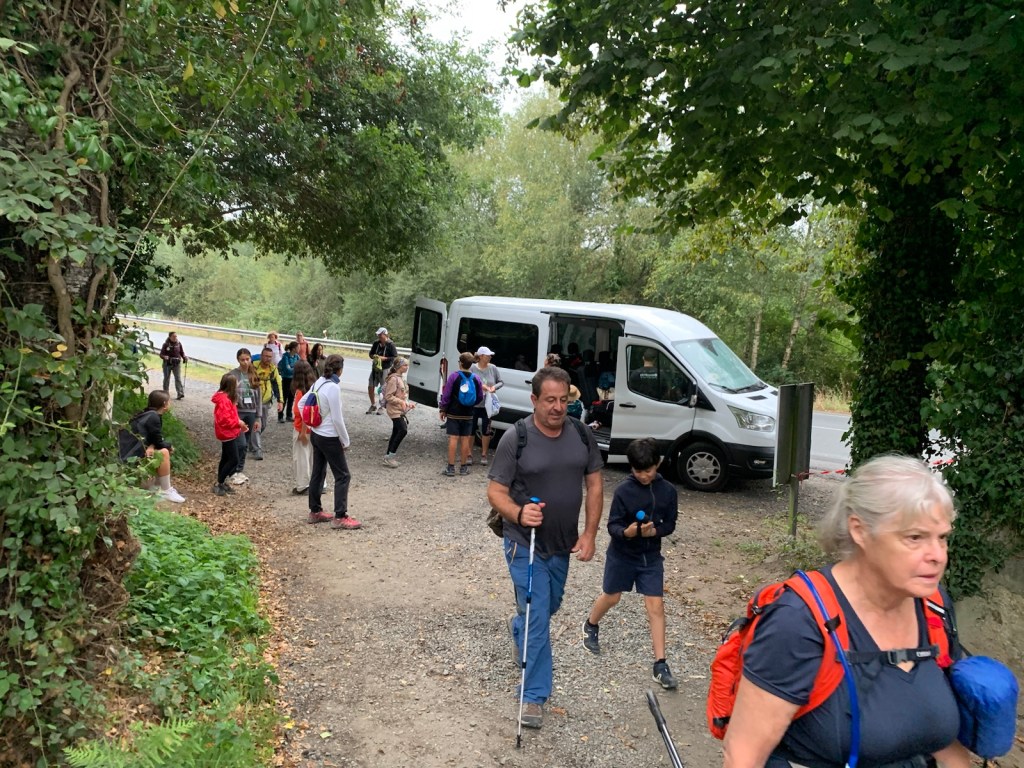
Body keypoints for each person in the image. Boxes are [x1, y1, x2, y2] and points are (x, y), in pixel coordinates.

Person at [723, 454, 972, 768]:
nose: (937, 555)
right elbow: (743, 755)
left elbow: (943, 740)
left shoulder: (932, 606)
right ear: (860, 530)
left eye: (942, 537)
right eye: (915, 537)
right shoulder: (798, 621)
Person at [486, 366, 604, 730]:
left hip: (561, 544)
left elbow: (595, 485)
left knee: (548, 606)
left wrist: (590, 533)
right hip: (524, 543)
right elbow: (495, 491)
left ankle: (519, 627)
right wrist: (519, 513)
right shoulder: (516, 438)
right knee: (538, 614)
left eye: (563, 400)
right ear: (534, 400)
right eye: (550, 400)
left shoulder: (581, 434)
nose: (557, 407)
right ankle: (533, 696)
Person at [582, 438, 678, 689]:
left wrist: (654, 532)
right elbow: (613, 525)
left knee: (655, 605)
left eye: (648, 470)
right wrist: (629, 532)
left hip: (651, 557)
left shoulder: (668, 491)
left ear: (657, 464)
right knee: (612, 597)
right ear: (631, 468)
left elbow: (670, 524)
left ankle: (660, 664)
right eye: (638, 471)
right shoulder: (624, 491)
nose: (644, 476)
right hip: (622, 555)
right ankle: (591, 624)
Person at [307, 354, 361, 530]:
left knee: (318, 472)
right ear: (340, 370)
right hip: (329, 436)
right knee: (343, 475)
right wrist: (345, 440)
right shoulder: (333, 388)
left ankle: (315, 511)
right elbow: (337, 419)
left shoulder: (319, 382)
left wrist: (312, 424)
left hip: (316, 434)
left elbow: (302, 404)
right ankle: (340, 516)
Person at [119, 390, 185, 503]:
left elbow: (152, 438)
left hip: (132, 451)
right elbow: (159, 442)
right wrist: (169, 446)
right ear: (164, 404)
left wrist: (152, 446)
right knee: (164, 451)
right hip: (128, 456)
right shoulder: (154, 417)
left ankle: (158, 486)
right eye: (169, 401)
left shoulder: (149, 414)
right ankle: (166, 490)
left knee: (162, 449)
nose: (170, 403)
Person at [438, 351, 483, 476]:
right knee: (465, 439)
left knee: (453, 438)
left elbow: (446, 395)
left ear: (461, 363)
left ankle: (451, 468)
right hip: (468, 413)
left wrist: (443, 409)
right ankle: (463, 468)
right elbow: (480, 396)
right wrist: (471, 404)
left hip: (454, 412)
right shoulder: (476, 378)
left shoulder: (454, 376)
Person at [211, 374, 248, 496]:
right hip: (227, 433)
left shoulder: (227, 398)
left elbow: (231, 415)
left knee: (225, 458)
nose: (238, 384)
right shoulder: (224, 400)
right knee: (234, 459)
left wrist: (238, 423)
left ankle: (221, 482)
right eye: (236, 383)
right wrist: (238, 423)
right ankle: (219, 482)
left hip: (229, 432)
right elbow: (225, 420)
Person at [470, 346, 503, 466]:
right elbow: (469, 380)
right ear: (481, 356)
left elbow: (501, 382)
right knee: (471, 430)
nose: (490, 357)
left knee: (486, 430)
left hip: (488, 405)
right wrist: (480, 385)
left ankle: (484, 454)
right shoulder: (472, 368)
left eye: (490, 355)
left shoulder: (493, 368)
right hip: (474, 404)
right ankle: (469, 454)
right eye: (488, 355)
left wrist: (494, 387)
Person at [228, 348, 260, 472]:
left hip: (251, 412)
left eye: (247, 359)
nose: (245, 362)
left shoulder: (254, 374)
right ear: (238, 360)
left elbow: (259, 396)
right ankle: (233, 467)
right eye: (242, 360)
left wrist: (258, 417)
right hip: (237, 412)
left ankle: (239, 469)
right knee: (239, 443)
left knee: (245, 443)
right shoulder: (232, 374)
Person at [382, 357, 415, 468]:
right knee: (402, 430)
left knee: (396, 432)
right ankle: (390, 457)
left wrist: (407, 404)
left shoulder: (401, 378)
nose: (407, 367)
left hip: (399, 410)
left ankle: (388, 456)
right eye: (405, 365)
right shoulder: (393, 379)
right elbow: (388, 396)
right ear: (398, 366)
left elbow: (402, 395)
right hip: (394, 410)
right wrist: (401, 402)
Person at [289, 360, 317, 494]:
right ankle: (319, 483)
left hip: (302, 429)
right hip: (315, 429)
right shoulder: (314, 389)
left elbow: (303, 413)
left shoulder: (301, 392)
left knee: (301, 458)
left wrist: (302, 432)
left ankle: (303, 485)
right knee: (314, 458)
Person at [253, 347, 283, 454]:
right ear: (261, 356)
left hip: (266, 401)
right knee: (257, 423)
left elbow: (277, 384)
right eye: (266, 356)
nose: (268, 359)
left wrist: (280, 401)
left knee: (263, 424)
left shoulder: (273, 369)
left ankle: (251, 441)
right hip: (253, 402)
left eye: (270, 357)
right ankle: (257, 449)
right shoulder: (253, 366)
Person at [367, 327, 398, 414]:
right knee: (370, 386)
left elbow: (394, 357)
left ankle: (382, 407)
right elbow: (370, 354)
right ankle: (373, 405)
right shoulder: (376, 343)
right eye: (378, 335)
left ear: (385, 334)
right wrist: (374, 356)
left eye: (380, 335)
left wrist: (385, 358)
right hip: (375, 368)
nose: (379, 336)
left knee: (383, 388)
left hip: (385, 369)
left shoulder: (391, 344)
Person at [159, 332, 188, 400]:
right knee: (166, 378)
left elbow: (182, 352)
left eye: (176, 336)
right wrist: (164, 357)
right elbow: (161, 354)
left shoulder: (179, 343)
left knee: (178, 378)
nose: (175, 338)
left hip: (177, 363)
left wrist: (184, 357)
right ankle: (165, 394)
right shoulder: (166, 344)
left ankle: (180, 393)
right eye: (174, 336)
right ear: (170, 337)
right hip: (167, 364)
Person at [278, 341, 301, 424]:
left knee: (291, 397)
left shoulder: (297, 356)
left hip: (294, 379)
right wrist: (295, 369)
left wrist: (293, 368)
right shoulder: (285, 357)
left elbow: (299, 366)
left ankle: (289, 415)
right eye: (298, 347)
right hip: (286, 379)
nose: (299, 349)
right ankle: (280, 416)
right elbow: (287, 369)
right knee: (284, 397)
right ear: (294, 348)